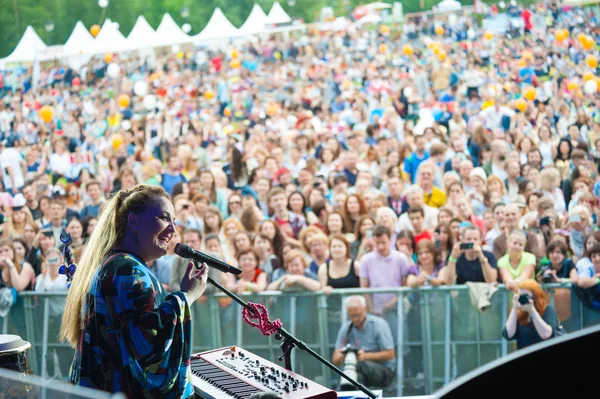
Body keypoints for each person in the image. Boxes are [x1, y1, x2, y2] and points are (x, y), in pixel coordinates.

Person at [59, 184, 208, 398]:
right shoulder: (127, 269)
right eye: (164, 218)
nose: (173, 230)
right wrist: (186, 296)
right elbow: (147, 343)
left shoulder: (115, 263)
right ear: (134, 222)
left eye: (174, 221)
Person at [332, 295, 395, 388]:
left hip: (384, 371)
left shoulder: (378, 325)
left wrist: (366, 356)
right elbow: (335, 360)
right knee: (350, 373)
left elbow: (390, 354)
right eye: (352, 316)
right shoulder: (346, 328)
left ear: (365, 309)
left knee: (357, 369)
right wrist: (343, 356)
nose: (355, 319)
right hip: (354, 370)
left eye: (358, 315)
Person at [502, 280, 560, 349]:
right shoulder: (519, 314)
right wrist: (514, 308)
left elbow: (546, 334)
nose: (523, 299)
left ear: (535, 296)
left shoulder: (548, 310)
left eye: (525, 296)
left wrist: (531, 310)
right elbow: (508, 335)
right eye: (519, 297)